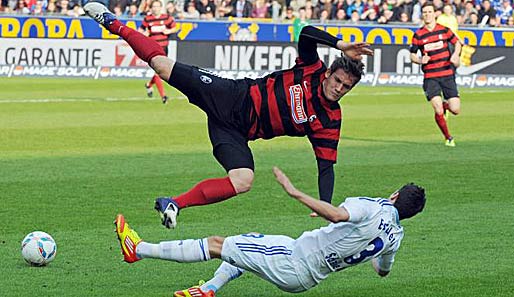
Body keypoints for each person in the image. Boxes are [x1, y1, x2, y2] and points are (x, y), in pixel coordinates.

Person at [83, 2, 373, 227]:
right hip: (232, 96)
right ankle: (112, 22)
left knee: (243, 180)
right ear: (330, 72)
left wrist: (325, 205)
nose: (339, 88)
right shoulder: (311, 68)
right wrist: (339, 44)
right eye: (337, 80)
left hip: (236, 133)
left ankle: (173, 204)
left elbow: (326, 167)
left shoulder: (330, 120)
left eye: (346, 87)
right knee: (161, 66)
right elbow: (307, 33)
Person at [113, 167, 426, 297]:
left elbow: (338, 214)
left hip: (296, 260)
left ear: (395, 196)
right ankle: (208, 289)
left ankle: (137, 249)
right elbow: (382, 270)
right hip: (306, 270)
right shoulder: (395, 237)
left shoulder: (375, 206)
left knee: (219, 245)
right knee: (245, 245)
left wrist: (298, 194)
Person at [410, 2, 462, 147]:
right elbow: (412, 55)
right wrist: (420, 60)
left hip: (447, 74)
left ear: (435, 14)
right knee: (437, 108)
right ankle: (448, 137)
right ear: (422, 15)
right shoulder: (418, 35)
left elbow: (457, 43)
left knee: (456, 109)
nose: (427, 14)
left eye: (430, 12)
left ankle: (446, 107)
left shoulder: (444, 30)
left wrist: (456, 55)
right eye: (425, 12)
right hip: (430, 76)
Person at [139, 0, 178, 104]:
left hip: (164, 47)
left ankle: (149, 85)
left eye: (158, 6)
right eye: (154, 7)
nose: (156, 8)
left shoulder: (166, 18)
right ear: (151, 8)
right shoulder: (147, 19)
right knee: (159, 71)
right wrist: (144, 34)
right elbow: (140, 31)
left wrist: (168, 31)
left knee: (159, 71)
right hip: (152, 48)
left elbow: (175, 27)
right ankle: (163, 96)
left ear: (161, 8)